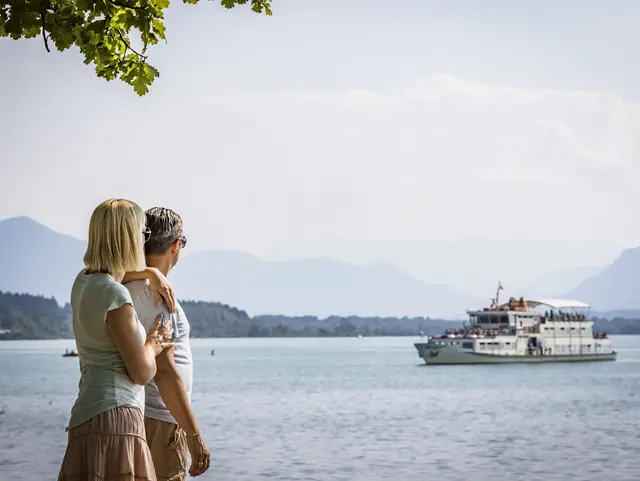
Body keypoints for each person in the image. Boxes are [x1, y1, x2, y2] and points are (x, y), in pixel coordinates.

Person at [58, 199, 174, 481]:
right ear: (128, 238)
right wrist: (154, 342)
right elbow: (142, 372)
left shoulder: (83, 281)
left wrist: (150, 272)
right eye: (142, 234)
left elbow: (115, 274)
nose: (144, 241)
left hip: (85, 413)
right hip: (117, 417)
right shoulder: (116, 297)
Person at [123, 207, 211, 480]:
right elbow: (165, 373)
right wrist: (194, 435)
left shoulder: (128, 285)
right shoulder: (159, 296)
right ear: (175, 245)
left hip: (141, 416)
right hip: (162, 420)